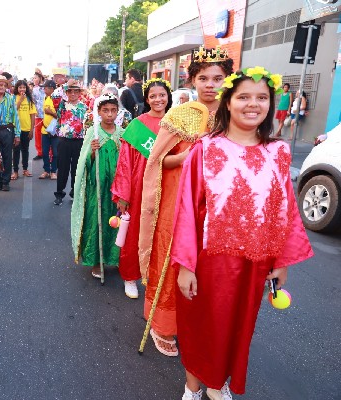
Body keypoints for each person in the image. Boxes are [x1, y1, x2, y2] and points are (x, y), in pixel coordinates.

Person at [173, 67, 313, 400]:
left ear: (270, 103)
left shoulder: (278, 152)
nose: (253, 104)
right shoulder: (205, 149)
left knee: (237, 328)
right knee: (200, 324)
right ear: (228, 102)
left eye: (262, 97)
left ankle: (218, 382)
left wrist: (281, 261)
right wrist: (186, 265)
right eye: (244, 97)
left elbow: (285, 209)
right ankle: (193, 387)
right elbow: (186, 209)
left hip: (255, 261)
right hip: (210, 260)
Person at [138, 46, 234, 357]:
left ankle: (199, 323)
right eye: (203, 78)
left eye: (217, 78)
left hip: (219, 206)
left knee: (210, 267)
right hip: (180, 202)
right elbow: (158, 162)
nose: (211, 85)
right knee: (173, 259)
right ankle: (163, 325)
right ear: (192, 80)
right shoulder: (179, 115)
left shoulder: (235, 114)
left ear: (228, 79)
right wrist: (188, 156)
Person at [111, 78, 172, 299]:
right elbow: (124, 163)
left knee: (163, 234)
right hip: (139, 188)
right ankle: (130, 277)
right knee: (135, 232)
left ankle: (157, 278)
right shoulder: (138, 125)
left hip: (167, 187)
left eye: (162, 95)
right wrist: (123, 194)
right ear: (146, 99)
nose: (158, 99)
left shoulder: (175, 124)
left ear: (168, 97)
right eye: (153, 96)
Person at [71, 93, 123, 278]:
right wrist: (92, 152)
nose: (109, 114)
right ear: (99, 112)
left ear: (118, 112)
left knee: (119, 221)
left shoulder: (122, 133)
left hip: (117, 185)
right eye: (105, 110)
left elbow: (127, 161)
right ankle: (96, 260)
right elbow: (84, 163)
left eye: (113, 110)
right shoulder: (92, 133)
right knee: (97, 219)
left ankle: (116, 258)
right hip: (97, 187)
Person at [54, 79, 88, 205]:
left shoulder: (84, 107)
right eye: (70, 91)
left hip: (79, 141)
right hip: (64, 141)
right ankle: (59, 193)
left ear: (79, 93)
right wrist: (66, 85)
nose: (73, 94)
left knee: (77, 169)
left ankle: (75, 193)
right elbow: (55, 95)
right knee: (62, 168)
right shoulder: (62, 106)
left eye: (75, 91)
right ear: (66, 93)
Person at [0, 76, 21, 192]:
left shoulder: (10, 98)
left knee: (7, 156)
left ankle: (6, 181)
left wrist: (17, 134)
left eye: (4, 85)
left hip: (7, 129)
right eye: (0, 85)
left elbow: (15, 116)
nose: (2, 87)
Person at [12, 79, 37, 179]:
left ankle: (25, 169)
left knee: (25, 150)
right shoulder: (13, 98)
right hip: (16, 129)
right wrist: (21, 100)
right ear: (17, 88)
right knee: (16, 150)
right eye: (20, 87)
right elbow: (13, 110)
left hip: (26, 128)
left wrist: (31, 130)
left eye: (24, 87)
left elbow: (32, 115)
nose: (22, 89)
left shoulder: (30, 100)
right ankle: (15, 171)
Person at [39, 80, 59, 180]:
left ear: (52, 89)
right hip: (45, 130)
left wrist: (50, 112)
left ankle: (53, 171)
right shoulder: (46, 98)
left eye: (46, 88)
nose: (44, 90)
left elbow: (60, 115)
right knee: (45, 152)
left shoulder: (58, 100)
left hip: (55, 131)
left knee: (55, 152)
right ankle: (46, 170)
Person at [32, 70, 45, 160]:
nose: (34, 80)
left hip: (47, 115)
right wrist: (35, 110)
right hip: (38, 115)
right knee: (38, 134)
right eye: (33, 78)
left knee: (48, 134)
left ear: (40, 78)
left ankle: (48, 152)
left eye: (35, 78)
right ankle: (40, 152)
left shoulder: (46, 87)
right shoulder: (34, 89)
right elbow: (33, 101)